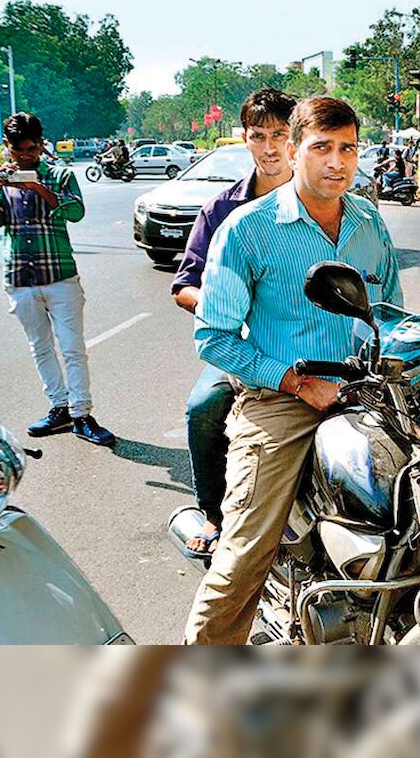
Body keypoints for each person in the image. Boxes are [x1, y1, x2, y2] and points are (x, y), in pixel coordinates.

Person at [184, 96, 403, 644]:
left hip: (364, 395)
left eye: (348, 148)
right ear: (293, 148)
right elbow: (213, 338)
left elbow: (393, 313)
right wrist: (295, 381)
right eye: (322, 148)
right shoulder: (247, 228)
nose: (337, 162)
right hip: (279, 401)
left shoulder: (369, 222)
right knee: (245, 550)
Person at [170, 87, 298, 559]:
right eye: (258, 136)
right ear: (244, 138)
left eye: (280, 135)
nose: (269, 148)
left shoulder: (326, 200)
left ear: (296, 139)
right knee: (203, 407)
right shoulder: (221, 210)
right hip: (246, 349)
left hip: (316, 345)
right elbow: (185, 284)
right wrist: (225, 311)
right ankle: (213, 513)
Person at [0, 112, 116, 446]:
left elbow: (76, 211)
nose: (25, 156)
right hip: (19, 276)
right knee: (39, 347)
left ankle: (82, 413)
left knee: (73, 349)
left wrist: (38, 188)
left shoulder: (60, 174)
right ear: (7, 147)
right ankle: (59, 408)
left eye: (31, 149)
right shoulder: (2, 179)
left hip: (60, 277)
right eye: (17, 150)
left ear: (41, 145)